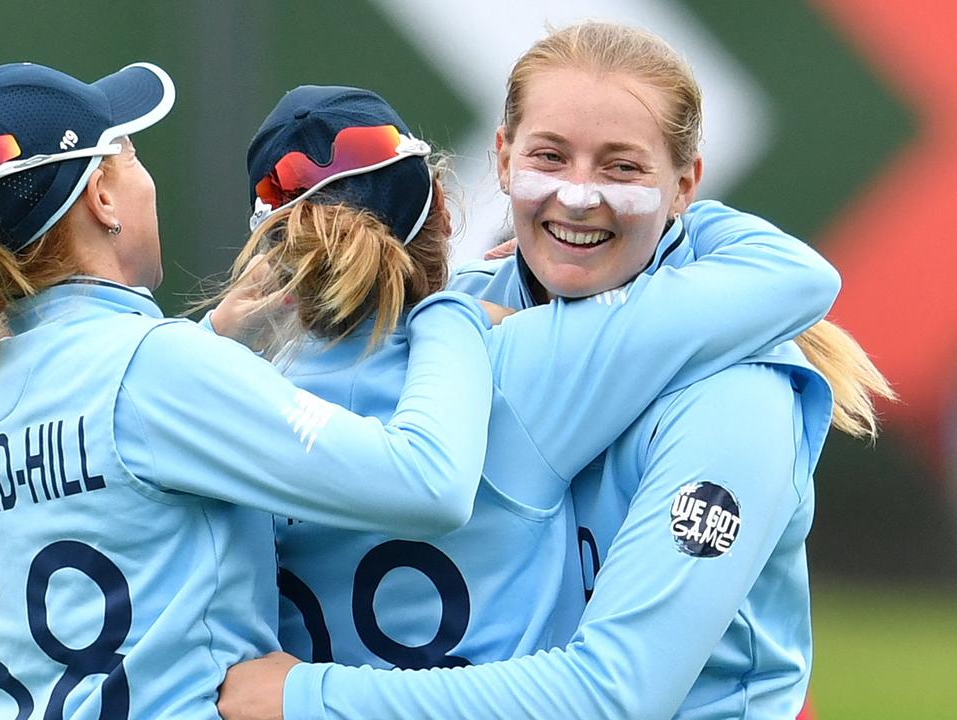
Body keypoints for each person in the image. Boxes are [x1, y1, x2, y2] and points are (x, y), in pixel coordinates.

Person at [216, 22, 892, 720]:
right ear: (502, 159)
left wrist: (302, 694)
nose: (577, 196)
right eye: (550, 157)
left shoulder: (737, 394)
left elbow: (616, 696)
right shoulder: (467, 304)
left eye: (622, 168)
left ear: (686, 183)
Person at [0, 61, 500, 720]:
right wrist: (449, 313)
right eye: (131, 156)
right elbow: (428, 481)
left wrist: (209, 343)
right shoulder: (154, 369)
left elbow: (109, 467)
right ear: (102, 200)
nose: (147, 180)